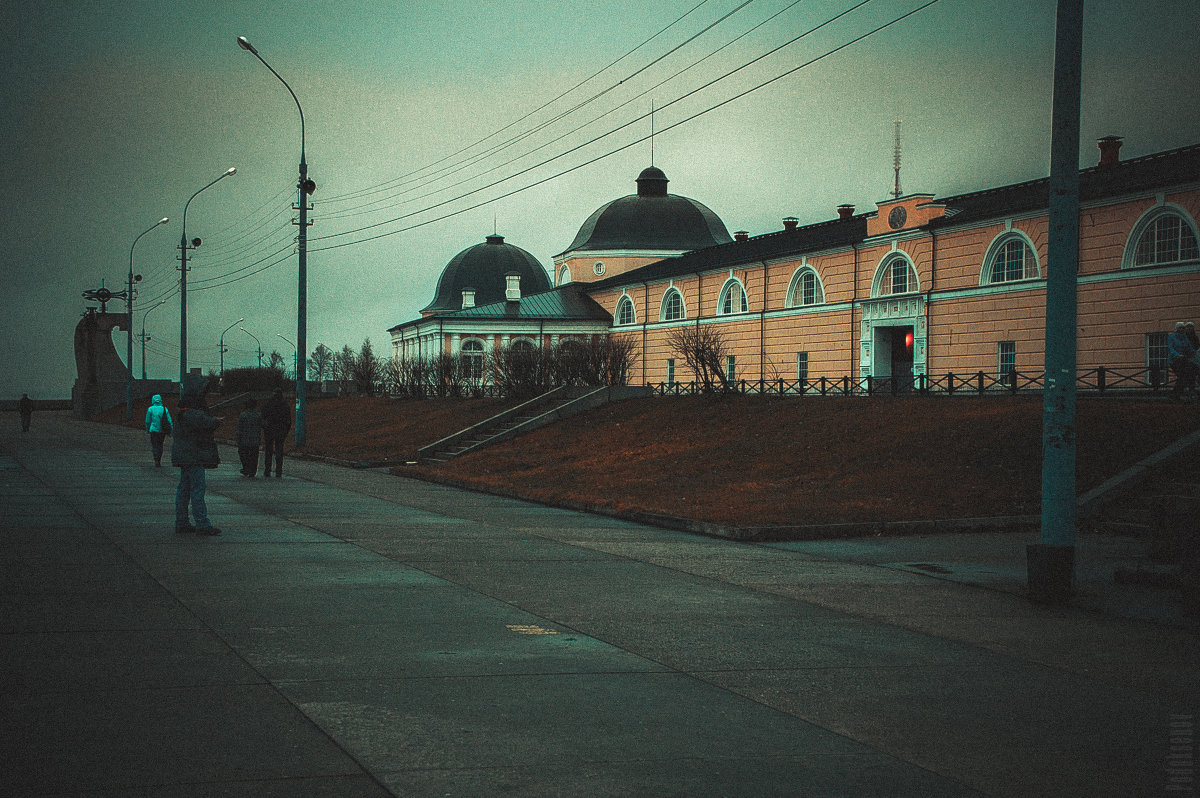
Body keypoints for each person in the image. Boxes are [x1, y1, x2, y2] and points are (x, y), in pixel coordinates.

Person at [171, 392, 223, 535]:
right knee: (197, 490)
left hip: (183, 458)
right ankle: (202, 524)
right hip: (193, 457)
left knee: (183, 490)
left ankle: (181, 522)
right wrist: (217, 420)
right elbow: (207, 422)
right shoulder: (191, 415)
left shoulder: (179, 416)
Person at [260, 387, 291, 478]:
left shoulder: (268, 404)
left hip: (269, 430)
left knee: (268, 451)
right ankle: (278, 471)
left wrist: (265, 427)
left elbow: (262, 417)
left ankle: (267, 470)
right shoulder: (284, 405)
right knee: (279, 451)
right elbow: (288, 420)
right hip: (280, 431)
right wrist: (285, 431)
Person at [1167, 321, 1198, 401]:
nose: (1181, 329)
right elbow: (1170, 348)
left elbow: (1189, 347)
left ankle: (1176, 395)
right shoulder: (1172, 337)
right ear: (1177, 329)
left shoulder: (1185, 337)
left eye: (1183, 328)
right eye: (1180, 328)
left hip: (1183, 360)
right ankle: (1175, 395)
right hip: (1175, 361)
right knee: (1182, 376)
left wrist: (1193, 352)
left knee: (1187, 375)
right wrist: (1177, 355)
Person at [235, 397, 263, 478]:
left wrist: (238, 438)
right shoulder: (258, 415)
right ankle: (252, 471)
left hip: (244, 439)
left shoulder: (243, 415)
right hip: (255, 439)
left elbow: (239, 428)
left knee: (244, 454)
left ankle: (246, 468)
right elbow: (263, 424)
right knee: (254, 456)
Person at [144, 394, 173, 467]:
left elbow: (147, 421)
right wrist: (171, 430)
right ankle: (159, 459)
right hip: (162, 430)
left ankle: (155, 458)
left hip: (153, 430)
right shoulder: (164, 409)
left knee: (154, 445)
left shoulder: (150, 409)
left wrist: (147, 429)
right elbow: (169, 420)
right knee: (160, 445)